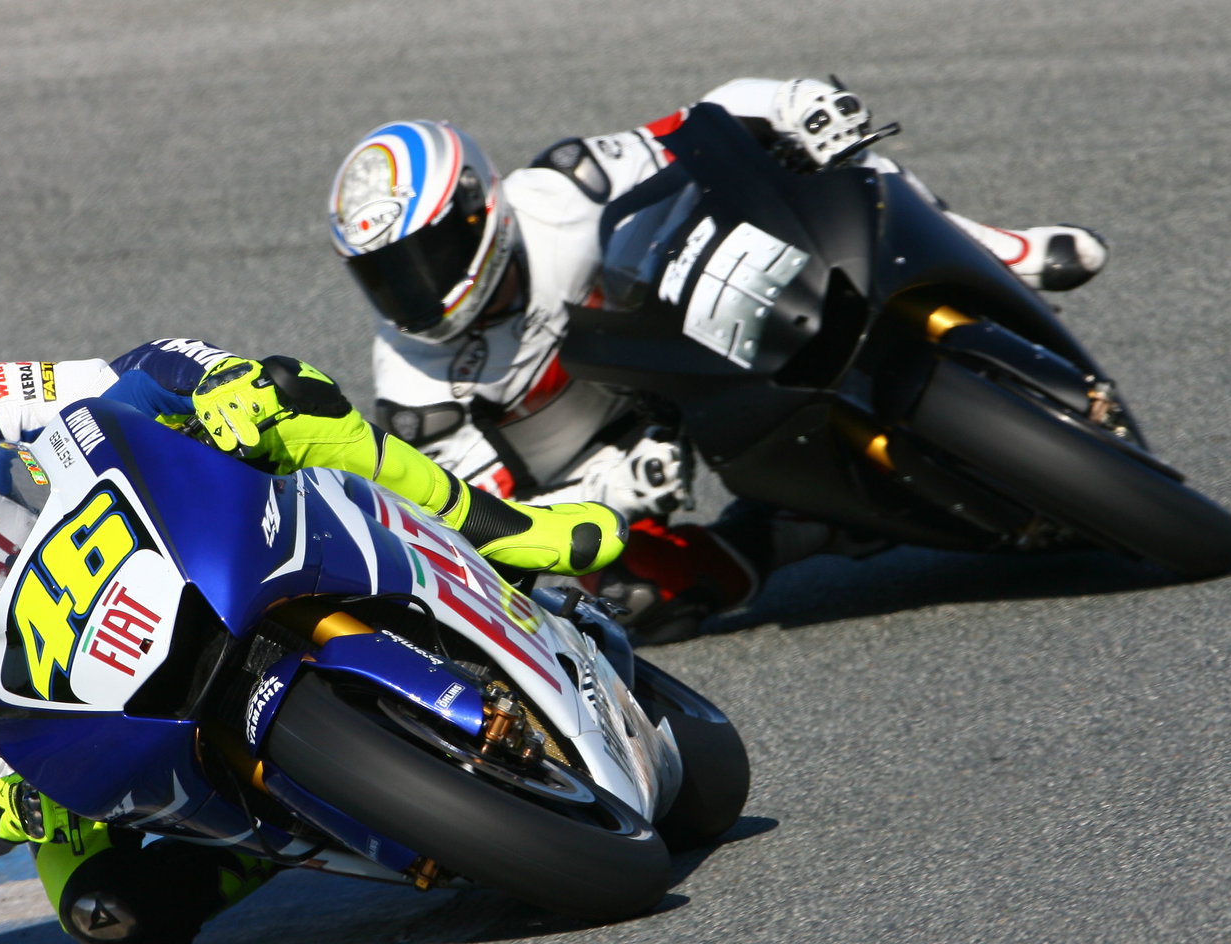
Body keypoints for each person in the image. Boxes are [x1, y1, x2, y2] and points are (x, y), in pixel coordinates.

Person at [0, 332, 624, 944]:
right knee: (110, 918)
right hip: (52, 737)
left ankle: (504, 532)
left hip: (149, 563)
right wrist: (7, 808)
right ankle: (266, 843)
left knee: (281, 395)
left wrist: (216, 383)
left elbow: (135, 370)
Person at [327, 76, 1111, 643]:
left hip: (689, 321)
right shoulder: (413, 382)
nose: (414, 292)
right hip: (620, 453)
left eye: (428, 257)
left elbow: (700, 125)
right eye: (387, 275)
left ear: (479, 208)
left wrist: (794, 104)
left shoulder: (563, 187)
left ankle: (991, 248)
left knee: (825, 158)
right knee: (633, 602)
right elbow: (479, 518)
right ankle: (800, 529)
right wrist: (615, 489)